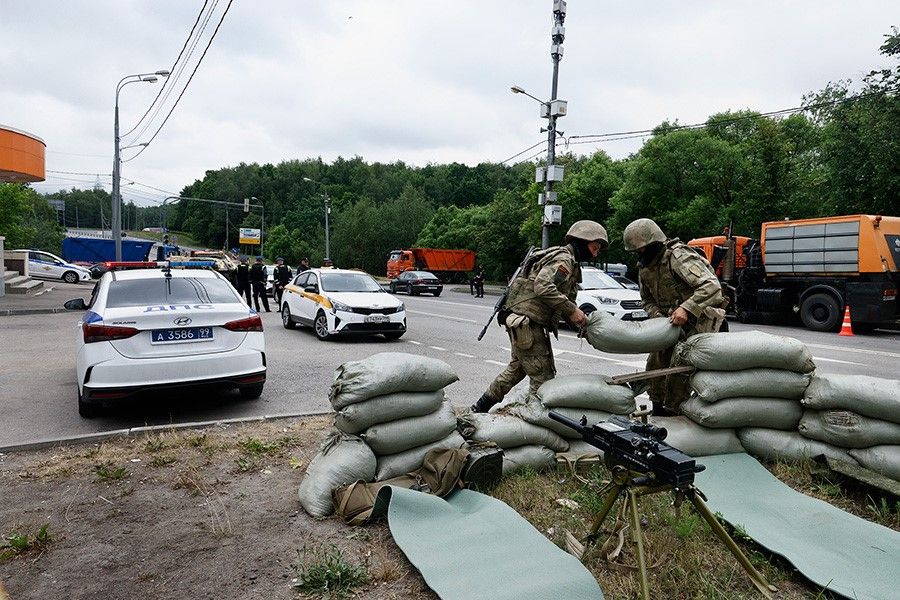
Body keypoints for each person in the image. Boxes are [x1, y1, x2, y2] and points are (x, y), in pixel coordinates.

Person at [471, 220, 609, 413]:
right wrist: (571, 310)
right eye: (595, 247)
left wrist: (583, 324)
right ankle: (536, 418)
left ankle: (478, 408)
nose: (596, 253)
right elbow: (543, 287)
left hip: (526, 322)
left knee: (516, 371)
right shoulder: (564, 259)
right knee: (544, 379)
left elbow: (565, 300)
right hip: (528, 324)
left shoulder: (570, 263)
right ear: (582, 242)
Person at [623, 218, 728, 416]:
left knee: (681, 374)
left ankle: (680, 416)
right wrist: (657, 317)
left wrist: (686, 309)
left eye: (641, 249)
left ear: (653, 243)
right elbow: (646, 300)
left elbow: (712, 287)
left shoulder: (678, 257)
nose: (639, 254)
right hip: (669, 326)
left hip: (698, 325)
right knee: (655, 369)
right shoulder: (645, 268)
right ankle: (660, 412)